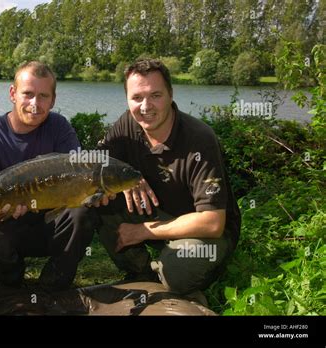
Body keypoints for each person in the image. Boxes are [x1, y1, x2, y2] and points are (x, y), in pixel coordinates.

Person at [96, 59, 241, 295]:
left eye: (155, 95)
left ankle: (174, 272)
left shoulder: (200, 138)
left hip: (203, 227)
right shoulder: (127, 123)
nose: (145, 107)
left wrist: (143, 231)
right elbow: (96, 164)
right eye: (136, 98)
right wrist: (127, 178)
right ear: (127, 99)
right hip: (156, 212)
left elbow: (213, 222)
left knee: (178, 272)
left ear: (171, 95)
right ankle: (140, 271)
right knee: (98, 199)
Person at [0, 61, 96, 291]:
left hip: (46, 222)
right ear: (13, 94)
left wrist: (93, 191)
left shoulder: (60, 128)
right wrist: (0, 212)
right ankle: (13, 276)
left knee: (82, 212)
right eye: (28, 94)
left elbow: (80, 172)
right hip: (4, 225)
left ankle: (53, 284)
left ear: (53, 100)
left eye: (43, 96)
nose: (35, 104)